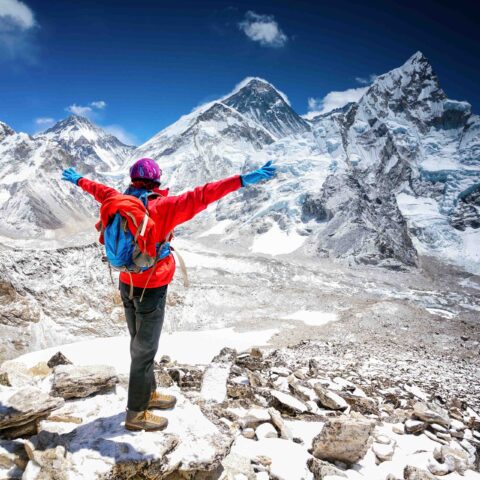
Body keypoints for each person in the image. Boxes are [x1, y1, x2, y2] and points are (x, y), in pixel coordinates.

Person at [61, 158, 276, 431]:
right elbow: (203, 194)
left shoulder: (118, 199)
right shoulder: (165, 207)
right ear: (157, 180)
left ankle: (148, 394)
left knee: (139, 344)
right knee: (145, 350)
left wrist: (77, 178)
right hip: (151, 289)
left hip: (126, 282)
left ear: (133, 179)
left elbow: (96, 189)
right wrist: (242, 180)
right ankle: (136, 414)